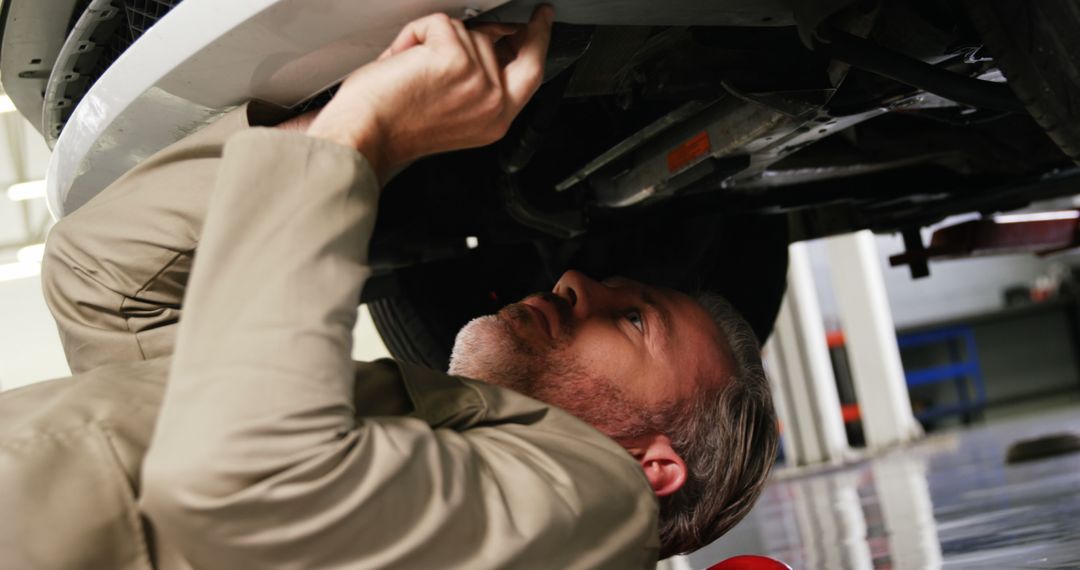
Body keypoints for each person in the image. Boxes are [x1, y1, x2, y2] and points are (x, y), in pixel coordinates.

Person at [0, 6, 778, 569]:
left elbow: (246, 493)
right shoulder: (411, 448)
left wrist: (368, 133)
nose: (575, 278)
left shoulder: (602, 508)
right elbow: (108, 281)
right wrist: (358, 126)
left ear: (654, 466)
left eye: (636, 320)